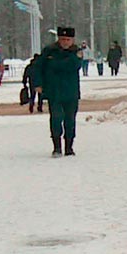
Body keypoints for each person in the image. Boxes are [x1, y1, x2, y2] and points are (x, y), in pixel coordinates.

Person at [36, 26, 83, 157]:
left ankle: (69, 147)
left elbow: (73, 65)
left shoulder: (76, 52)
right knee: (56, 119)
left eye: (68, 39)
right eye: (63, 39)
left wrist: (55, 64)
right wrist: (38, 84)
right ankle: (56, 147)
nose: (65, 42)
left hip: (71, 92)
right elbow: (38, 67)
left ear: (72, 40)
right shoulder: (49, 51)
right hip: (54, 91)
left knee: (70, 120)